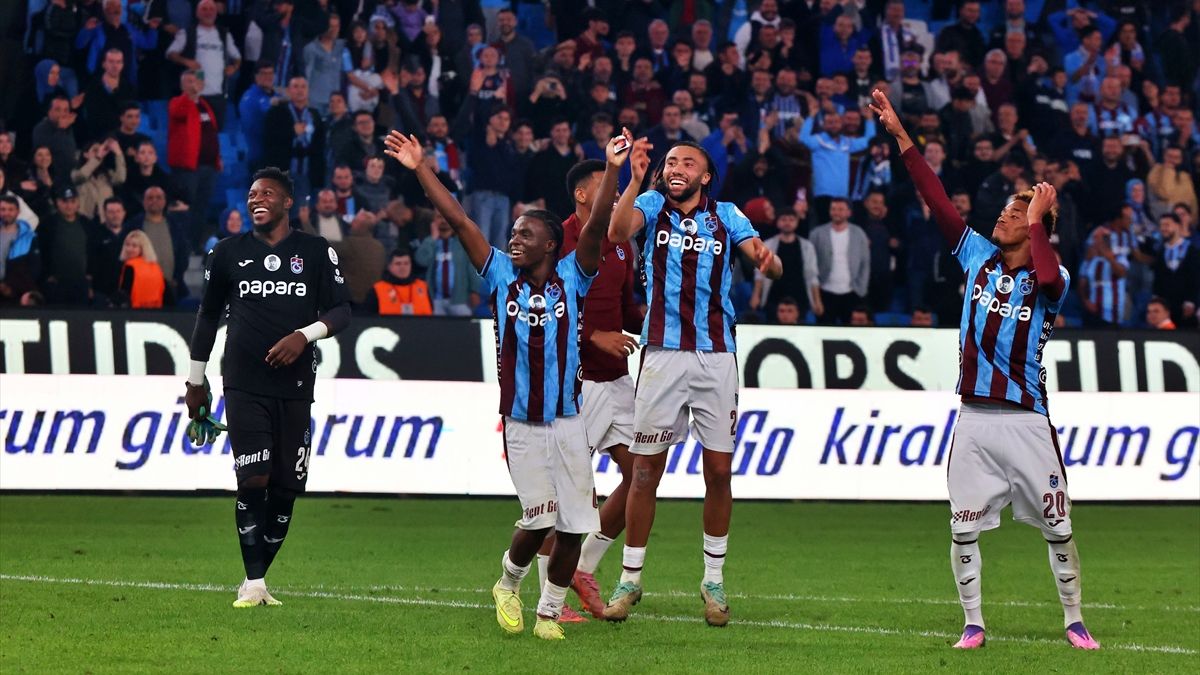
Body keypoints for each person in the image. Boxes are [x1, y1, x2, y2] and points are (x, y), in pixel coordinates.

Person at [871, 89, 1100, 651]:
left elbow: (1049, 279)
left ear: (1037, 226)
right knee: (963, 527)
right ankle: (973, 623)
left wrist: (1039, 220)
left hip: (1027, 420)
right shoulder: (976, 255)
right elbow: (937, 200)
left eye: (1016, 213)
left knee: (1059, 527)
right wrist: (902, 137)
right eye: (1005, 209)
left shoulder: (1053, 276)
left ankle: (1074, 619)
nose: (1003, 214)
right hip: (973, 418)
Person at [383, 128, 625, 641]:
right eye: (513, 233)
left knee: (574, 525)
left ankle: (548, 614)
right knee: (540, 521)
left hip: (570, 421)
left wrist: (613, 169)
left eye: (525, 235)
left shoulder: (574, 275)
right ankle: (508, 582)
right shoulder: (498, 275)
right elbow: (459, 219)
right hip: (521, 423)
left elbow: (597, 224)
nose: (514, 240)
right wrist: (421, 167)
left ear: (551, 245)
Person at [604, 138, 782, 626]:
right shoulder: (650, 204)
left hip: (716, 356)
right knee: (645, 472)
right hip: (661, 355)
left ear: (705, 176)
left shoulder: (727, 215)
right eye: (670, 162)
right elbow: (616, 232)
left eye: (688, 162)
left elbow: (769, 262)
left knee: (719, 472)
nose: (676, 168)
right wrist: (634, 177)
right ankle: (630, 580)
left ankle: (713, 580)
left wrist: (769, 262)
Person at [184, 167, 351, 608]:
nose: (256, 200)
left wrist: (304, 336)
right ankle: (255, 581)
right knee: (253, 478)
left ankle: (253, 579)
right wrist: (195, 381)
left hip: (295, 386)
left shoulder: (315, 251)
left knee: (285, 488)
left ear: (287, 202)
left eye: (267, 194)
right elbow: (207, 318)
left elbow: (342, 311)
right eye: (252, 194)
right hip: (243, 382)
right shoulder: (226, 252)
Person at [532, 159, 645, 622]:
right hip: (573, 383)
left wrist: (661, 319)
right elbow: (541, 310)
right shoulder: (554, 241)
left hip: (617, 379)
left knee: (642, 476)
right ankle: (549, 599)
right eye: (606, 186)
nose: (615, 194)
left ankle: (583, 568)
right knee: (565, 497)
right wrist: (594, 336)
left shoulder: (621, 243)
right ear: (581, 195)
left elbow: (627, 309)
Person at [0, 195, 41, 306]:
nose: (6, 213)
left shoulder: (29, 237)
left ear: (18, 212)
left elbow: (34, 269)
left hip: (17, 294)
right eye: (3, 209)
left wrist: (11, 287)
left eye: (10, 209)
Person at [365, 249, 432, 315]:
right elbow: (368, 317)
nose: (403, 267)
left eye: (406, 263)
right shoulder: (378, 289)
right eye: (398, 264)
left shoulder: (423, 287)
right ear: (389, 266)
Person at [116, 230, 167, 308]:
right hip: (156, 310)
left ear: (143, 248)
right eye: (127, 244)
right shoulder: (156, 267)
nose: (129, 249)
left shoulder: (130, 266)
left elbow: (124, 294)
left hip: (134, 310)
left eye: (134, 246)